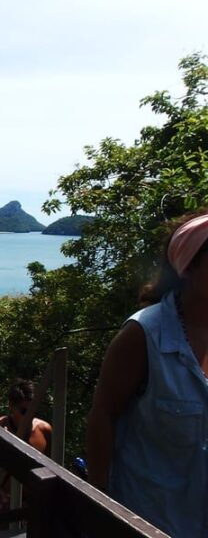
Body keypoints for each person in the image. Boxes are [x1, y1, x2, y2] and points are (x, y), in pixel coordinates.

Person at [86, 212, 208, 538]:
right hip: (149, 517)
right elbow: (103, 416)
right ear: (189, 267)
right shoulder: (144, 335)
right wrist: (99, 506)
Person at [0, 379, 52, 511]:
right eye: (24, 411)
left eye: (33, 410)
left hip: (34, 502)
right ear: (11, 406)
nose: (29, 416)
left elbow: (53, 466)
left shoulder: (44, 430)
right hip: (4, 500)